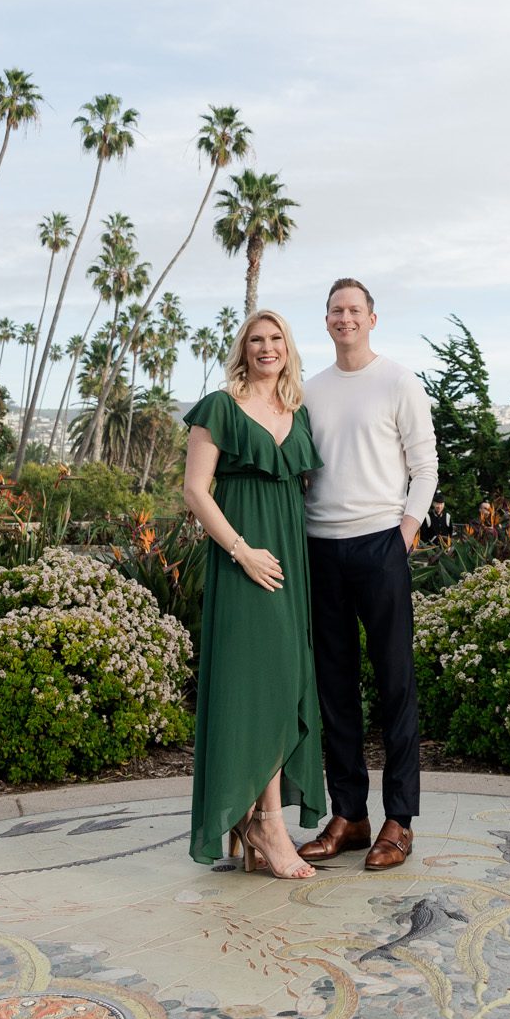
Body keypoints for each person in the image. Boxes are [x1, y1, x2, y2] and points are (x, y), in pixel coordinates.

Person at [299, 278, 438, 874]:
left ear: (372, 319)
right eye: (336, 310)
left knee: (395, 686)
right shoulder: (309, 392)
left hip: (381, 545)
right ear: (326, 320)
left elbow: (425, 467)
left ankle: (398, 821)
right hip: (321, 550)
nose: (345, 318)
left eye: (355, 309)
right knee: (335, 689)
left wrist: (403, 534)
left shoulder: (398, 381)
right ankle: (350, 816)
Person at [182, 309, 325, 878]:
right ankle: (267, 822)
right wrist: (242, 551)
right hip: (244, 561)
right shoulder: (219, 408)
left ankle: (253, 816)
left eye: (276, 339)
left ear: (288, 349)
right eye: (256, 340)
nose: (267, 348)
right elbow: (195, 491)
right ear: (243, 350)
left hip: (290, 562)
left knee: (286, 680)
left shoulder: (299, 412)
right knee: (256, 683)